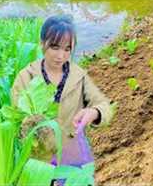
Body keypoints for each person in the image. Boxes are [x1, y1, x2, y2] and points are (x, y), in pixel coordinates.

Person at [12, 15, 112, 165]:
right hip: (40, 160)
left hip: (74, 154)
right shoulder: (26, 77)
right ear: (42, 43)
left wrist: (95, 112)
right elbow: (17, 119)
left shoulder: (78, 76)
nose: (61, 56)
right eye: (55, 47)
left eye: (67, 49)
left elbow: (104, 105)